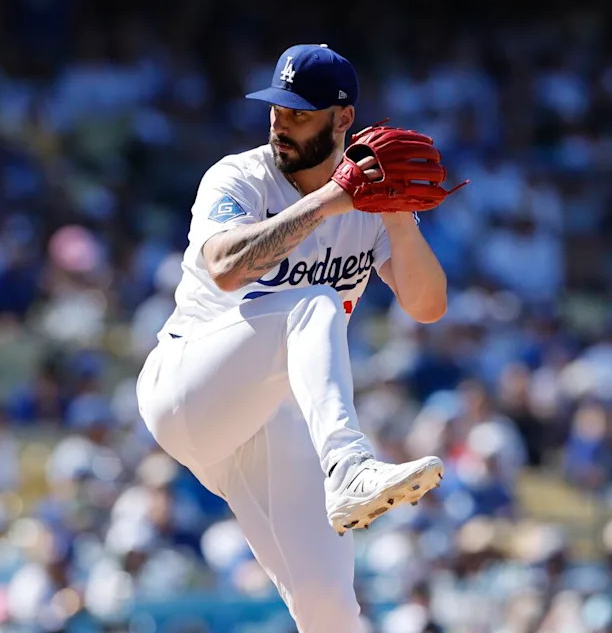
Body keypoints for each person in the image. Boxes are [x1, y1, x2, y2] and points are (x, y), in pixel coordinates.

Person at [136, 44, 452, 630]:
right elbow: (228, 266)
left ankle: (344, 475)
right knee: (315, 303)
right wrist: (332, 200)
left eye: (300, 113)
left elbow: (427, 305)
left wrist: (398, 212)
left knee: (331, 607)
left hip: (273, 417)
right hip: (188, 385)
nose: (282, 124)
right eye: (277, 109)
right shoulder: (240, 176)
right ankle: (348, 464)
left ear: (342, 120)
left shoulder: (369, 204)